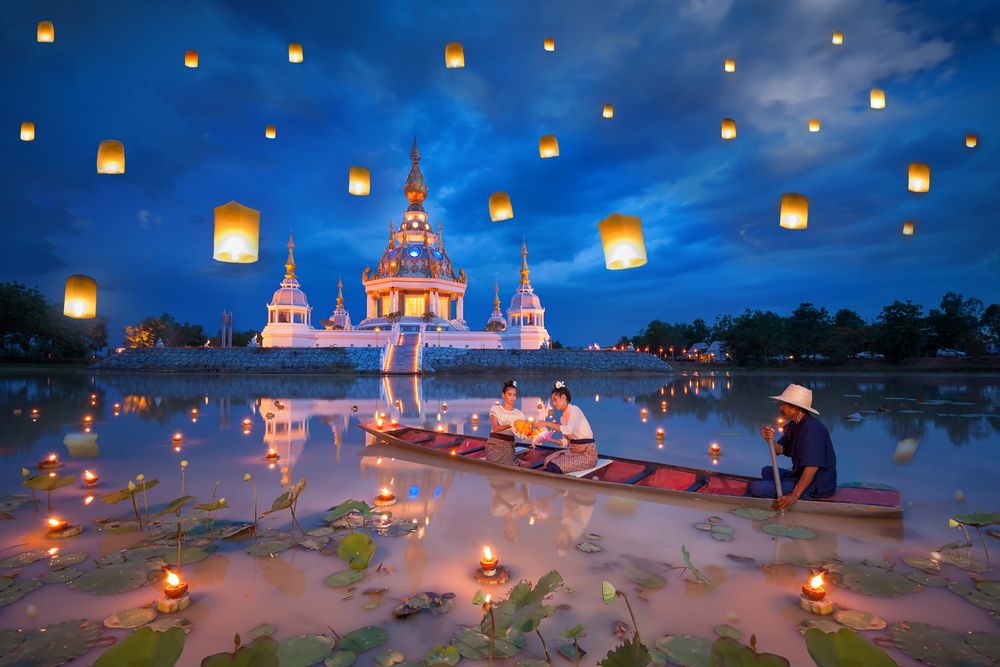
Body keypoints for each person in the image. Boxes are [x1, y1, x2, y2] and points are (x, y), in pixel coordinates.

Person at [747, 383, 837, 511]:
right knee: (766, 470)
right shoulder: (793, 425)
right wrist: (769, 440)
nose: (780, 408)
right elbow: (779, 450)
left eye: (784, 405)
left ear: (796, 408)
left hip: (816, 485)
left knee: (756, 488)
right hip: (798, 475)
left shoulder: (812, 428)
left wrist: (794, 495)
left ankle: (797, 492)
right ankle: (783, 485)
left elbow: (812, 467)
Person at [540, 381, 598, 474]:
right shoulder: (562, 418)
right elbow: (565, 442)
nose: (554, 403)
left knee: (553, 466)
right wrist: (549, 440)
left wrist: (547, 423)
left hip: (587, 454)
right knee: (547, 461)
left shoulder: (574, 409)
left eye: (555, 399)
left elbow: (569, 429)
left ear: (563, 397)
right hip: (573, 451)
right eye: (552, 400)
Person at [486, 380, 526, 465]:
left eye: (514, 395)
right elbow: (495, 428)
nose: (512, 397)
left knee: (510, 466)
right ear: (503, 395)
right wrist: (510, 424)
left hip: (509, 445)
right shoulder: (496, 409)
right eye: (509, 394)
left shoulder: (519, 414)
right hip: (494, 444)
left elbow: (522, 433)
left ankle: (519, 462)